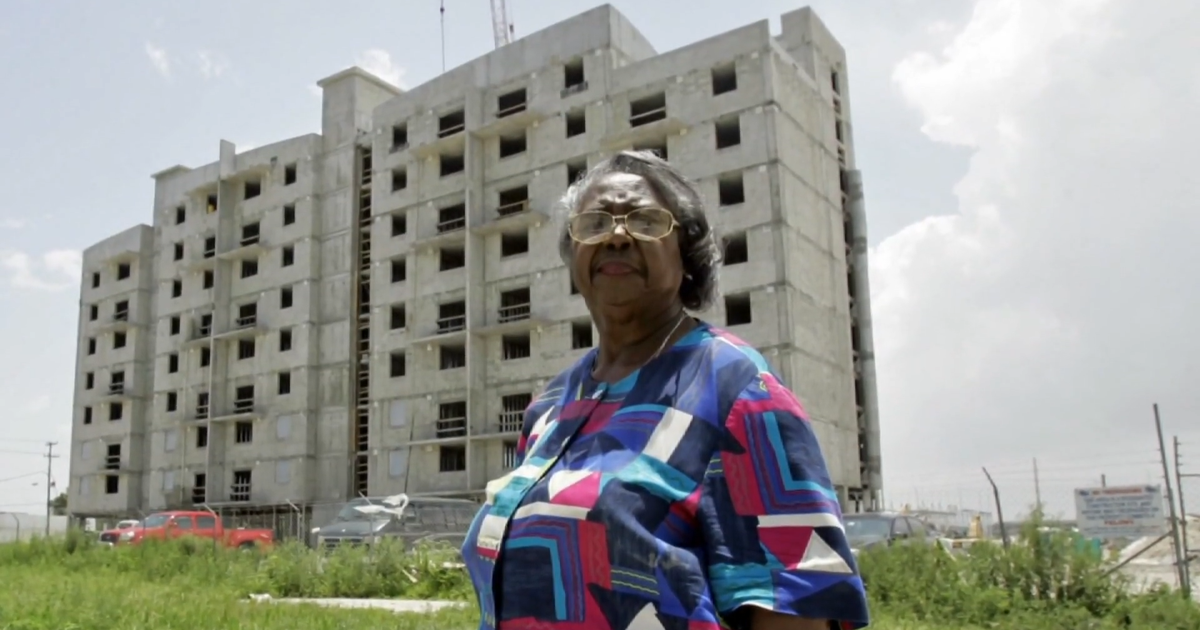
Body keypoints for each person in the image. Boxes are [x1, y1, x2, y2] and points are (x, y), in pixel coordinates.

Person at [461, 150, 870, 630]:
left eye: (645, 221)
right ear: (574, 257)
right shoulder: (550, 407)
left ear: (687, 254)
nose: (616, 235)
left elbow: (797, 608)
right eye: (594, 224)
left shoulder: (737, 390)